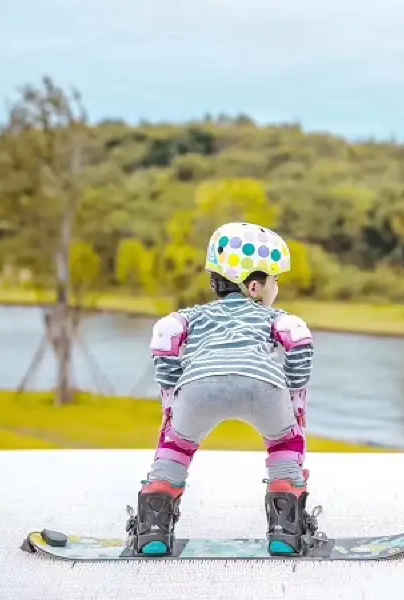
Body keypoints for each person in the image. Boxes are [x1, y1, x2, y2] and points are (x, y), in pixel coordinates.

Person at [127, 222, 318, 557]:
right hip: (263, 387)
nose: (277, 289)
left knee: (176, 448)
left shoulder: (193, 316)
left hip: (199, 388)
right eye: (275, 281)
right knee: (284, 445)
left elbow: (164, 334)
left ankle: (152, 530)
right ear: (255, 287)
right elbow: (298, 336)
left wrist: (172, 396)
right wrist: (293, 391)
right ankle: (285, 532)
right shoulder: (274, 317)